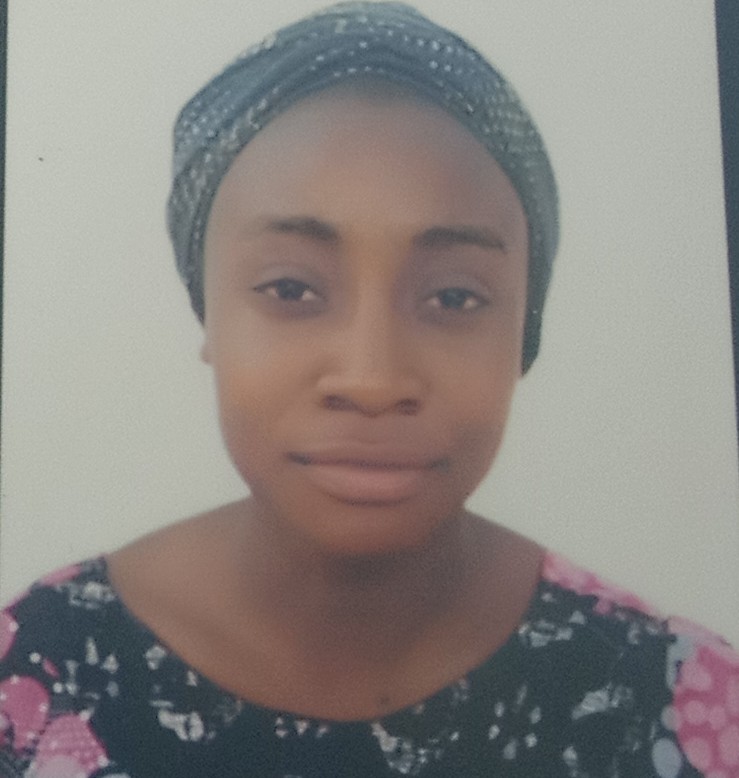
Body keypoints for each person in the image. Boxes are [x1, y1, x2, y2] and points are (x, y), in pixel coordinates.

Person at [1, 2, 737, 776]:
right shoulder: (36, 675)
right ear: (208, 310)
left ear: (522, 331)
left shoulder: (673, 705)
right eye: (291, 289)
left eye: (453, 297)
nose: (373, 379)